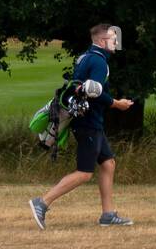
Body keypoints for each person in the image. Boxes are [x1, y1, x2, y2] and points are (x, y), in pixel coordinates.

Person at [31, 24, 134, 228]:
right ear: (102, 41)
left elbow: (82, 87)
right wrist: (117, 103)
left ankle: (108, 215)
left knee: (108, 163)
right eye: (113, 39)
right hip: (87, 122)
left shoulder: (86, 56)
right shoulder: (98, 62)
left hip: (89, 120)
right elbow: (93, 91)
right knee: (85, 173)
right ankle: (42, 203)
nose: (116, 43)